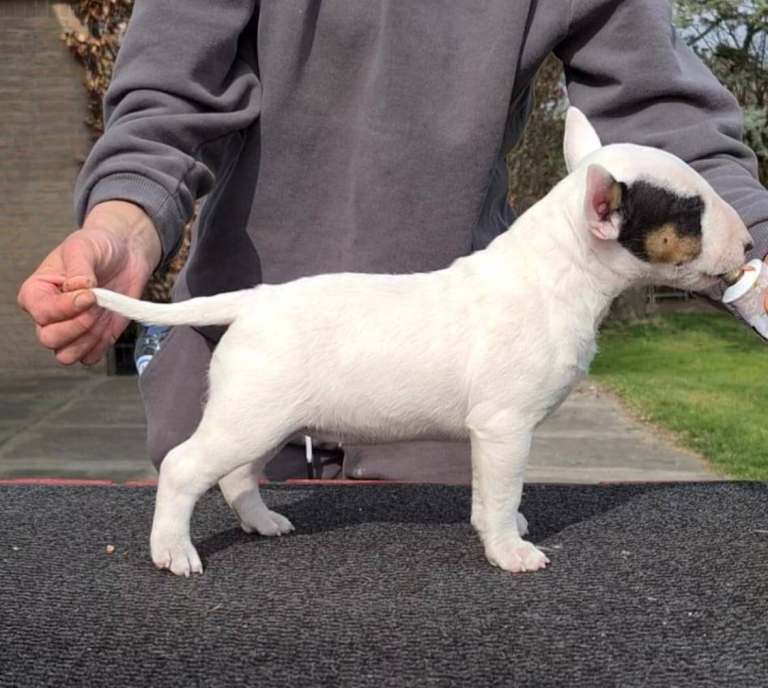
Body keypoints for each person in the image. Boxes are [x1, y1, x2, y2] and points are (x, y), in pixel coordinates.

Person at [17, 1, 768, 481]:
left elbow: (663, 137)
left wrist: (754, 256)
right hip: (248, 356)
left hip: (435, 413)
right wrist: (124, 221)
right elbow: (170, 99)